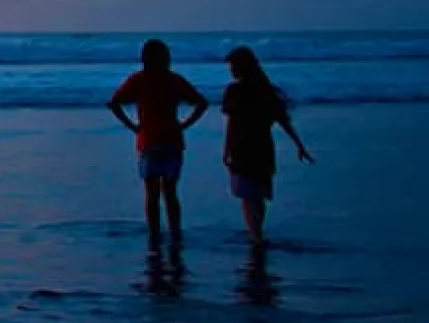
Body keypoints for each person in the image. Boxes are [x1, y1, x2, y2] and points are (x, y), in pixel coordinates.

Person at [108, 39, 209, 243]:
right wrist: (185, 124)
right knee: (170, 192)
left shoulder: (139, 80)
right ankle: (175, 232)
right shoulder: (173, 80)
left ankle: (154, 233)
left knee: (152, 194)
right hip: (172, 139)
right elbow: (201, 103)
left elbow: (114, 103)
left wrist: (133, 126)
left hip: (149, 140)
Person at [222, 46, 314, 244]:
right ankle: (257, 231)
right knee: (257, 194)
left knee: (248, 196)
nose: (231, 70)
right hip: (263, 147)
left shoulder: (234, 91)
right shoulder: (265, 91)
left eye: (233, 66)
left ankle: (255, 234)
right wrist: (299, 144)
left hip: (242, 147)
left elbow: (232, 124)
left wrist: (226, 151)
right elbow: (283, 120)